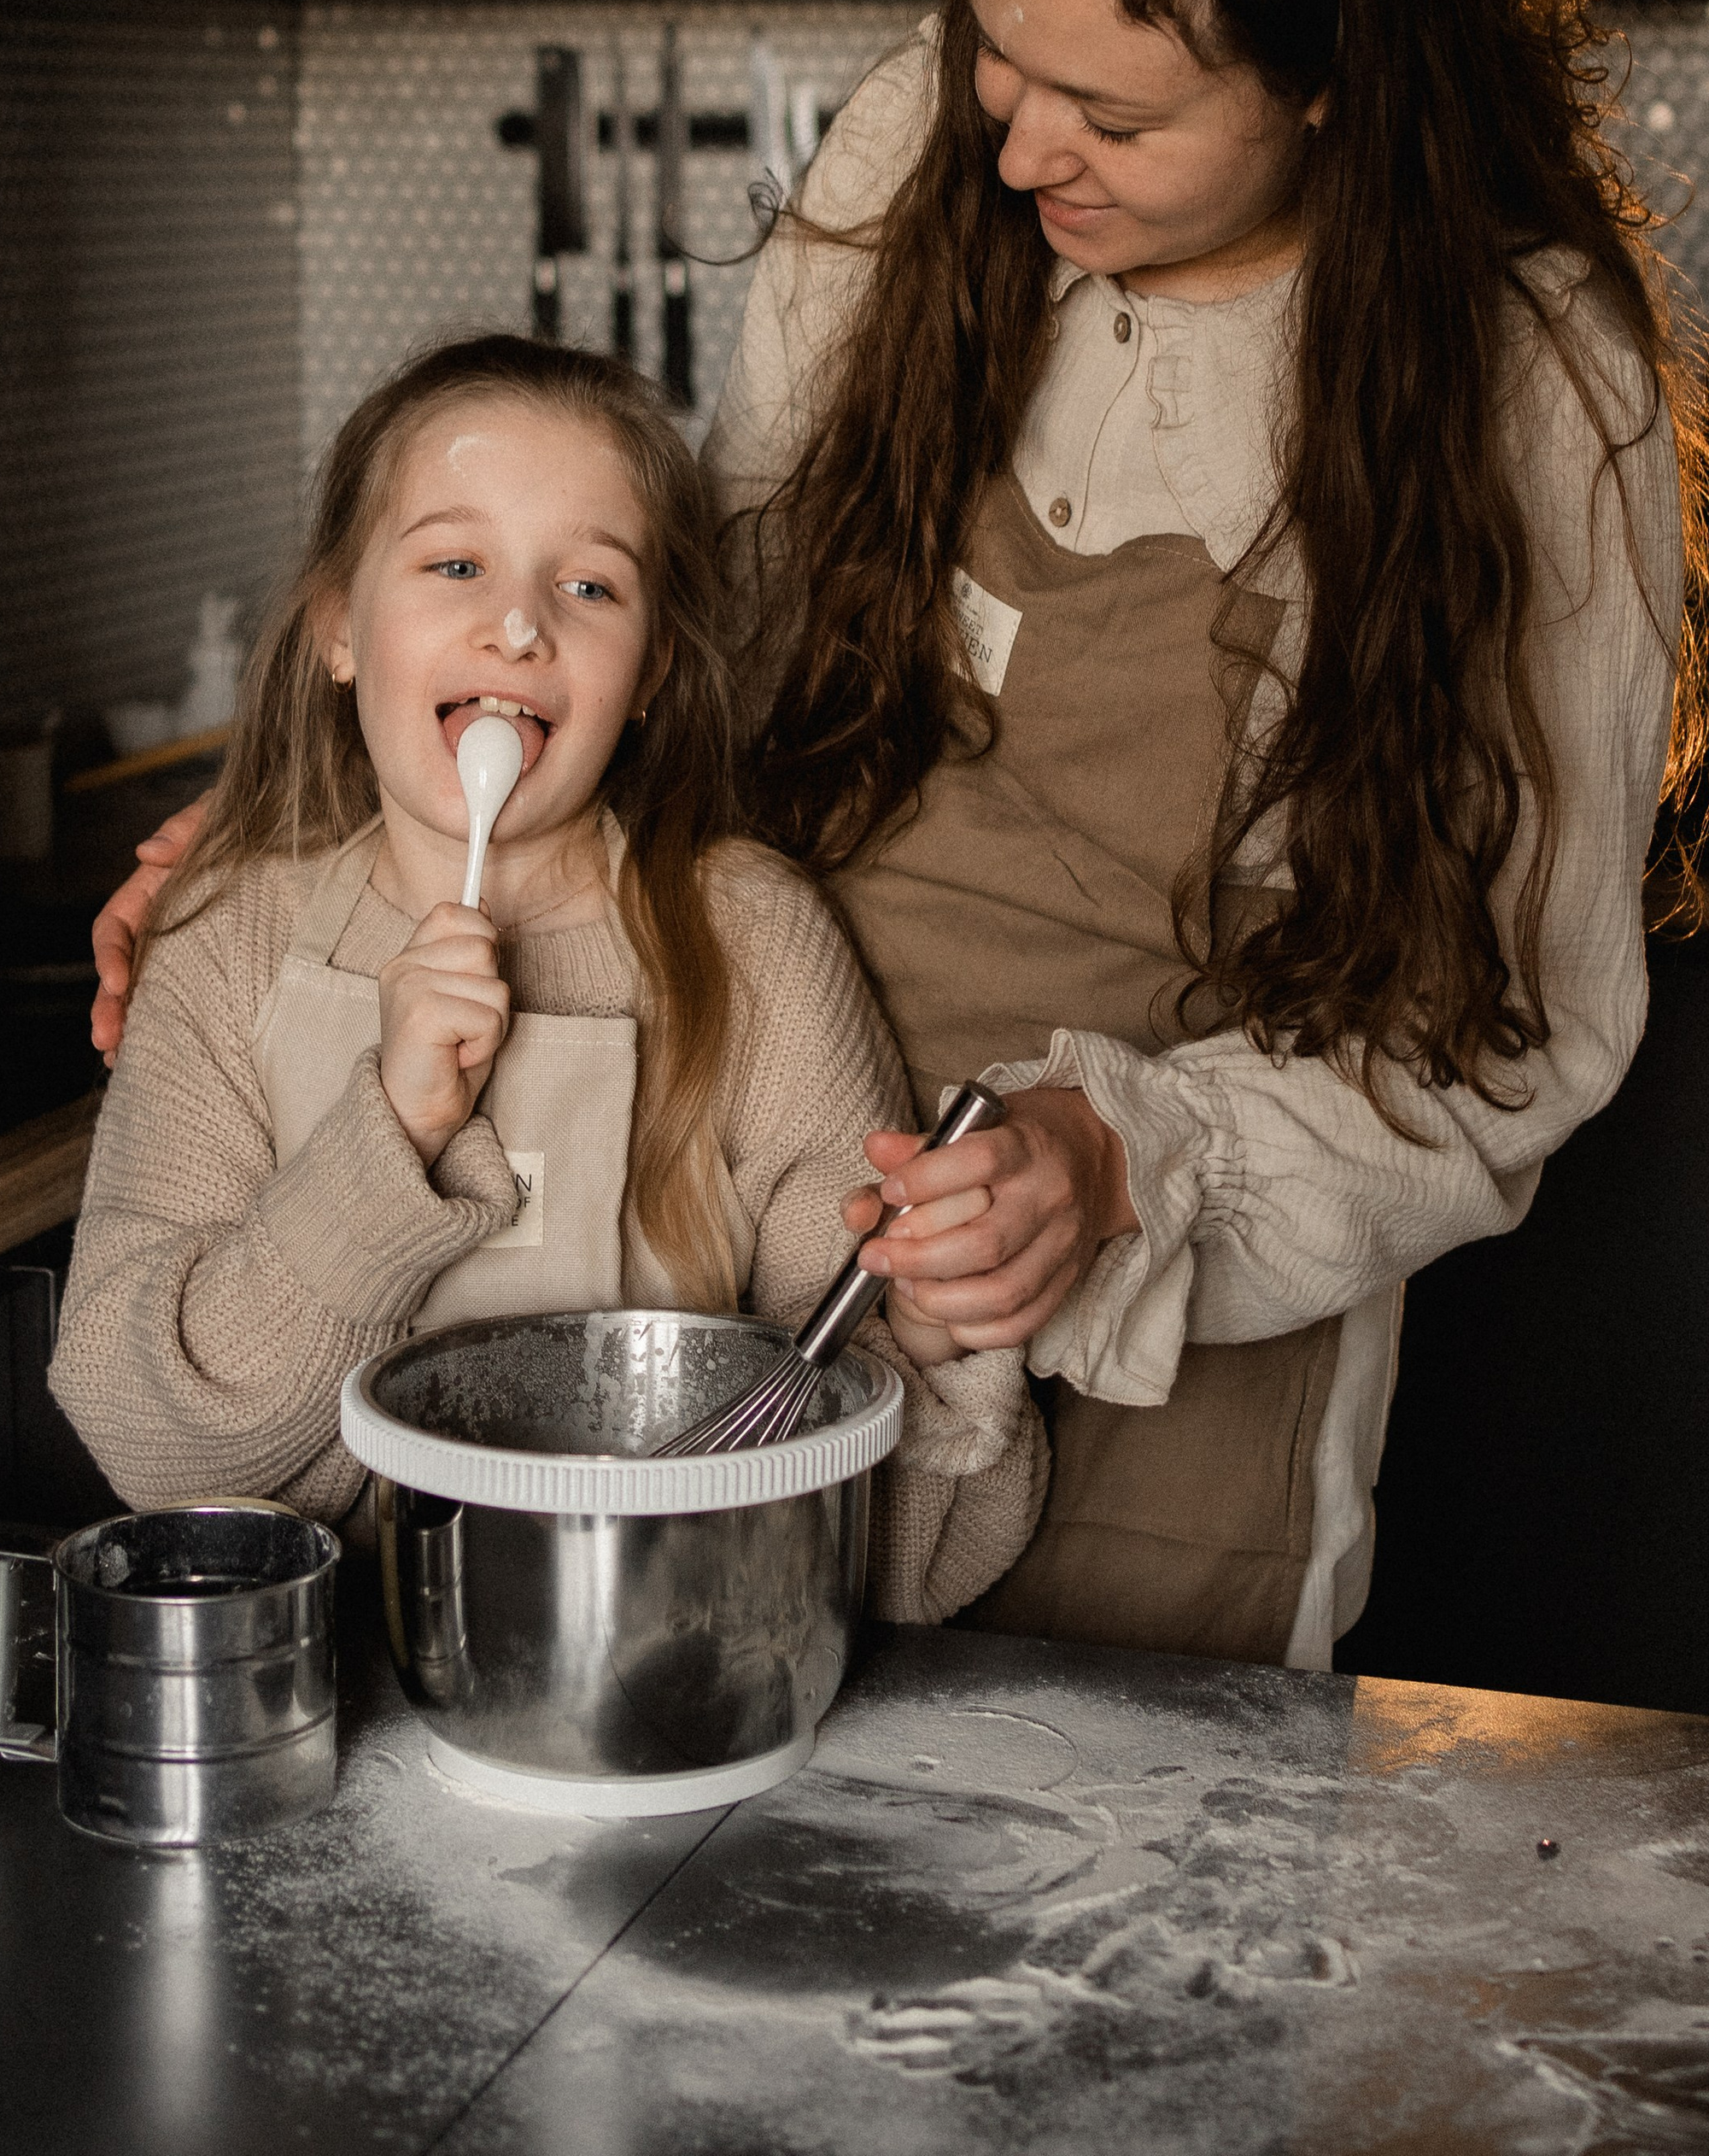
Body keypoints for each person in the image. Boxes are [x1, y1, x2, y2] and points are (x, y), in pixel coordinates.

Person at [694, 0, 1709, 1667]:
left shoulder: (1516, 387)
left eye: (1114, 113)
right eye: (1000, 57)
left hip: (1174, 1440)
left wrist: (1109, 1162)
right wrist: (336, 852)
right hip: (743, 1279)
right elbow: (694, 679)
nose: (1014, 155)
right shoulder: (916, 162)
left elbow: (1489, 1042)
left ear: (1338, 73)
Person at [50, 335, 1044, 1620]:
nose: (517, 626)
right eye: (455, 564)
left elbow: (899, 1558)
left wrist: (935, 1332)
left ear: (652, 680)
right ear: (338, 630)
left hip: (679, 1687)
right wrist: (391, 1138)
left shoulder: (755, 945)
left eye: (588, 587)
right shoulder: (226, 946)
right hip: (334, 1694)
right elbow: (150, 1448)